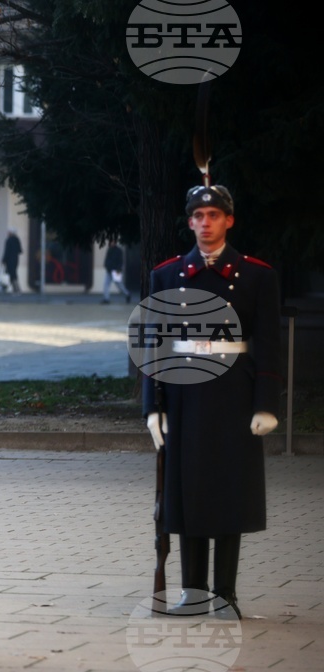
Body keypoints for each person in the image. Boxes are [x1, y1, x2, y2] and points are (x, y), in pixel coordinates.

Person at [143, 184, 282, 619]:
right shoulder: (166, 275)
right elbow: (155, 347)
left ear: (229, 221)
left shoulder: (258, 275)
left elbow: (270, 346)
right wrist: (152, 406)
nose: (206, 223)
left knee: (228, 492)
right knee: (187, 493)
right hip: (183, 394)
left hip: (234, 395)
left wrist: (266, 404)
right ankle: (192, 590)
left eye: (214, 215)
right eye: (199, 215)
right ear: (189, 222)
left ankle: (225, 593)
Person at [2, 227, 23, 292]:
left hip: (9, 260)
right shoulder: (17, 239)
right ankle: (15, 287)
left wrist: (3, 259)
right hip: (15, 259)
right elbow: (20, 250)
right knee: (13, 273)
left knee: (11, 273)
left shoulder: (9, 240)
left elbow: (7, 251)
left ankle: (14, 287)